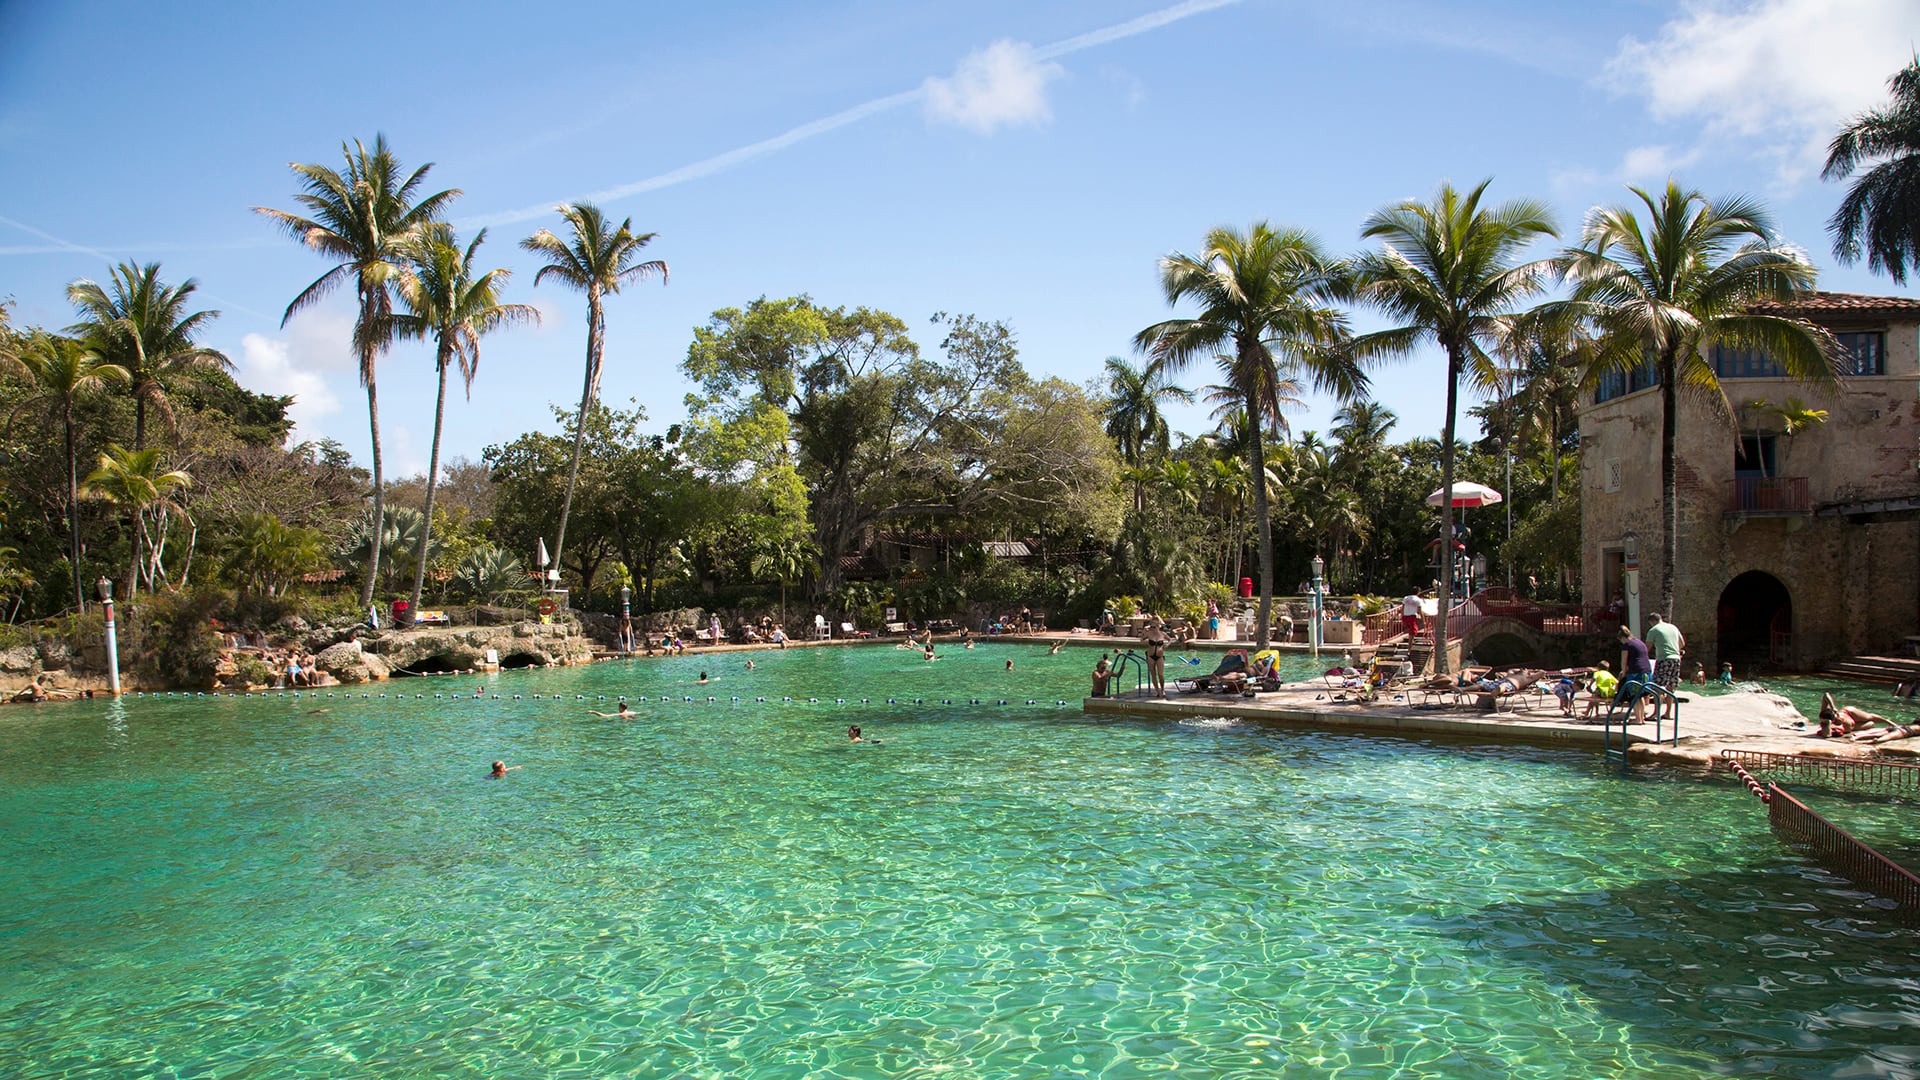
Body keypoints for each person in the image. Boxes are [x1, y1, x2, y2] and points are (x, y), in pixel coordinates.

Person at [1644, 612, 1686, 719]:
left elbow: (1646, 648)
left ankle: (1656, 713)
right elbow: (1682, 643)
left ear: (1651, 621)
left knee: (1657, 687)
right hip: (1676, 659)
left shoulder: (1653, 630)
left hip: (1664, 659)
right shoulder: (1673, 627)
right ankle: (1668, 713)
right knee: (1670, 687)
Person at [1618, 626, 1653, 724]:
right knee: (1640, 695)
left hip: (1635, 673)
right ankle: (1641, 718)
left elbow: (1624, 662)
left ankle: (1638, 719)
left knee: (1634, 696)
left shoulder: (1627, 645)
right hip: (1647, 672)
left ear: (1622, 638)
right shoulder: (1640, 642)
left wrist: (1623, 673)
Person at [1143, 616, 1170, 697]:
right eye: (1151, 626)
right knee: (1153, 674)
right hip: (1150, 656)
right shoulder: (1149, 634)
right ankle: (1157, 691)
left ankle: (1163, 690)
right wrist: (1146, 641)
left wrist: (1167, 644)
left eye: (1154, 627)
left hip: (1160, 656)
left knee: (1160, 674)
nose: (1152, 628)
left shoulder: (1163, 634)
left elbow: (1170, 640)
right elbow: (1141, 639)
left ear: (1158, 626)